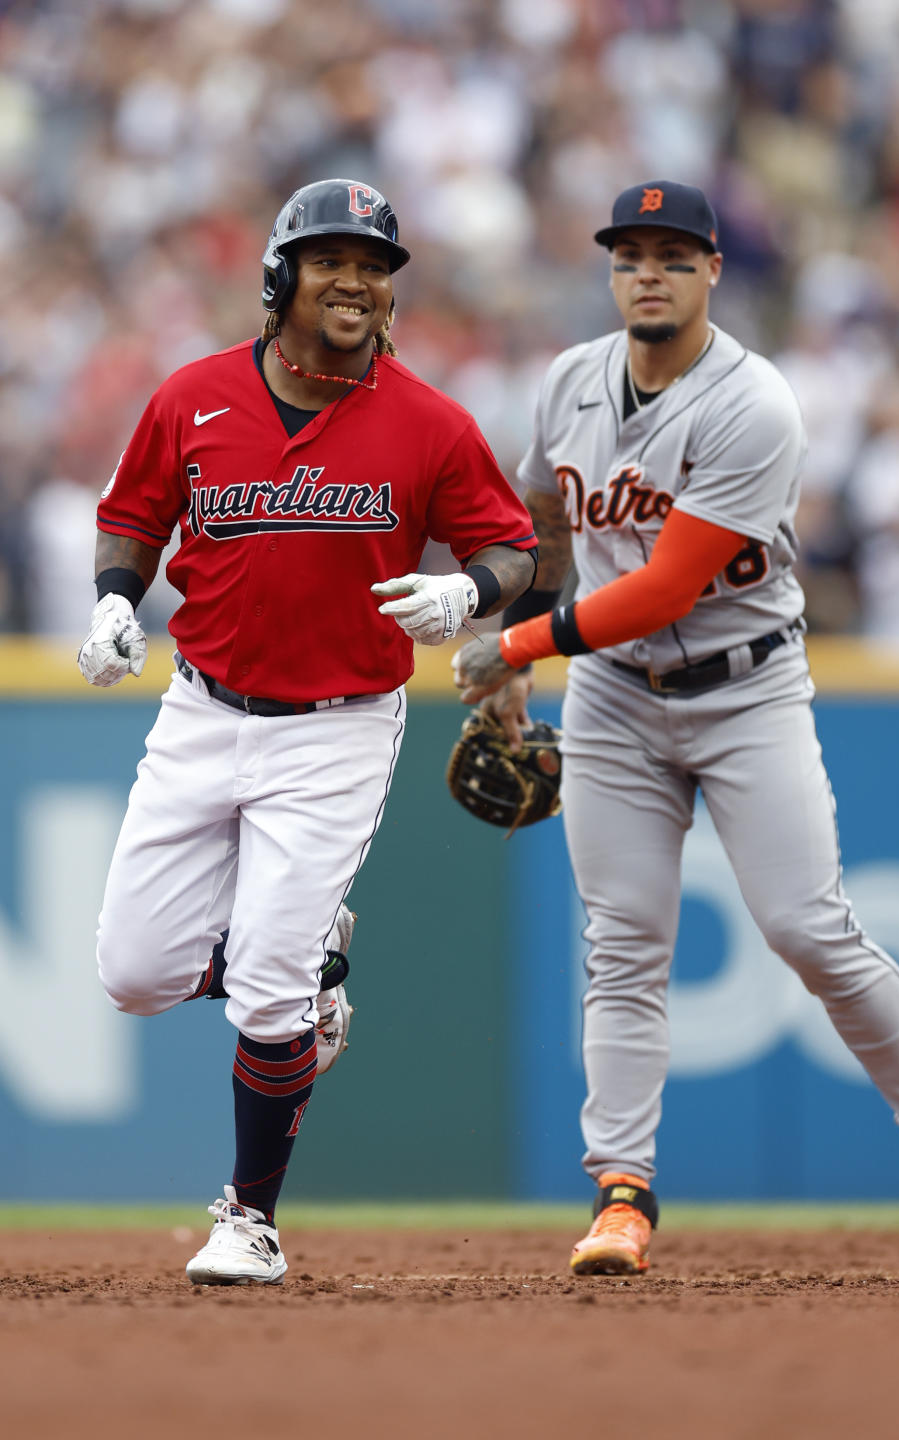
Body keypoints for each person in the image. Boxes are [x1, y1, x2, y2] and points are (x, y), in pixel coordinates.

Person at [451, 180, 899, 1276]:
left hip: (746, 689)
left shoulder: (753, 402)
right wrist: (506, 627)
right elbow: (535, 518)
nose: (649, 272)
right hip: (615, 698)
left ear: (714, 272)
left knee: (807, 927)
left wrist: (519, 646)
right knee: (623, 945)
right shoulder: (570, 381)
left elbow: (669, 586)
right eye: (630, 253)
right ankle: (621, 1195)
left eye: (674, 256)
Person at [78, 177, 537, 1285]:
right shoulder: (194, 395)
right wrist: (110, 597)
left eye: (376, 268)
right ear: (283, 275)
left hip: (335, 727)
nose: (358, 283)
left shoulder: (429, 420)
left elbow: (514, 545)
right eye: (334, 261)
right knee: (133, 972)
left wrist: (470, 594)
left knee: (267, 994)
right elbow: (135, 512)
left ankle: (251, 1218)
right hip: (199, 708)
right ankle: (310, 962)